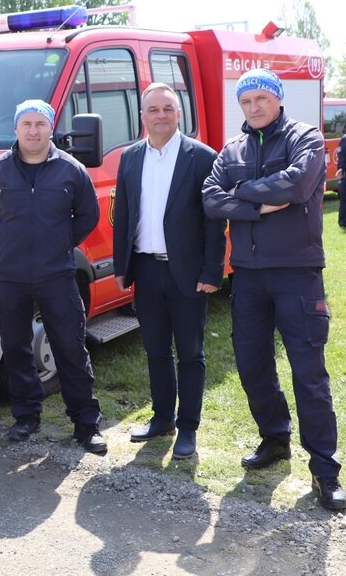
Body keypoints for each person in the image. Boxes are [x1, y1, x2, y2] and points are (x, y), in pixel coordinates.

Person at [202, 69, 346, 512]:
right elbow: (210, 198)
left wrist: (240, 193)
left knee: (308, 372)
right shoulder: (233, 149)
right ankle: (274, 438)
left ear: (278, 99)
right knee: (251, 364)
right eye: (246, 101)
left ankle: (324, 469)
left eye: (262, 98)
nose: (254, 107)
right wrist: (259, 202)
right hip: (247, 276)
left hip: (297, 275)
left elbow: (298, 184)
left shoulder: (305, 138)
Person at [0, 99, 107, 454]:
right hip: (9, 277)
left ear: (50, 128)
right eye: (26, 124)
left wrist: (58, 243)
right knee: (15, 348)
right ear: (16, 129)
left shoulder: (71, 171)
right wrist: (3, 242)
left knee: (71, 347)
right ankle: (26, 416)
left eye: (40, 124)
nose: (33, 131)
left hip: (56, 275)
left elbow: (87, 216)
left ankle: (86, 424)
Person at [113, 83, 226, 460]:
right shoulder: (129, 158)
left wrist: (213, 270)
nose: (160, 115)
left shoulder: (202, 157)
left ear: (179, 114)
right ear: (142, 116)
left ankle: (188, 428)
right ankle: (163, 418)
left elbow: (214, 223)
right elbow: (124, 216)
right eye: (153, 109)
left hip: (188, 273)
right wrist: (121, 267)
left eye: (168, 108)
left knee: (190, 353)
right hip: (146, 270)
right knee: (155, 349)